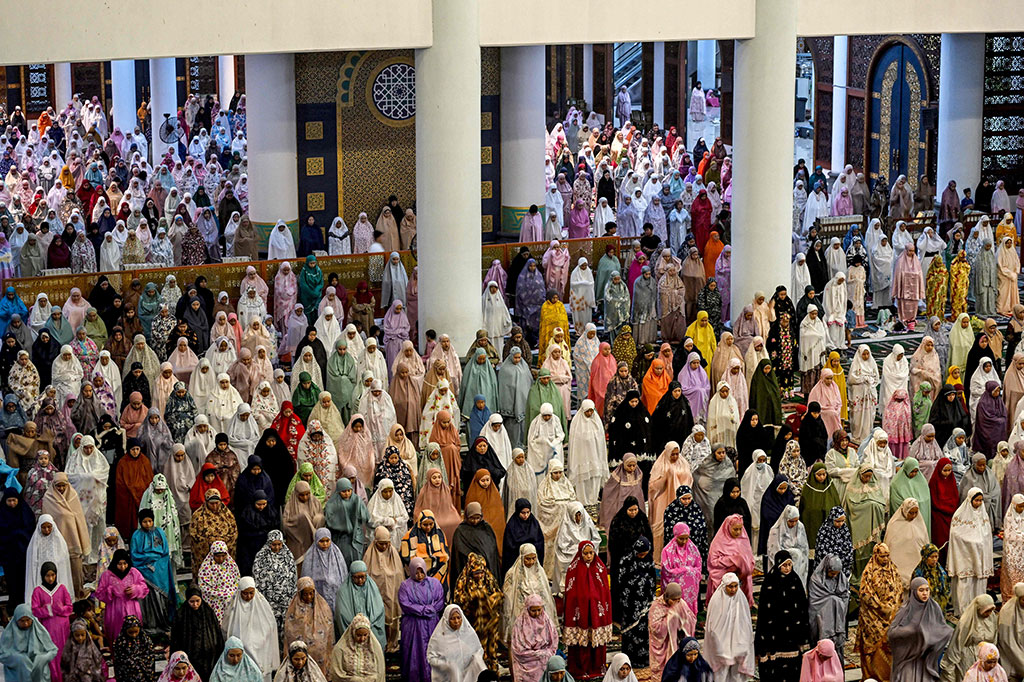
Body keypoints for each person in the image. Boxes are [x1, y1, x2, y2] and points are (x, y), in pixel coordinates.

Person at [755, 551, 809, 682]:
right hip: (774, 629)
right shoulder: (770, 582)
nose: (787, 568)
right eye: (785, 565)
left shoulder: (795, 580)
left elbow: (802, 606)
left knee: (792, 670)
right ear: (778, 565)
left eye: (790, 565)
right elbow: (764, 610)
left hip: (792, 630)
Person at [562, 540, 612, 679]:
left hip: (597, 612)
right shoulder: (573, 569)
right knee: (580, 642)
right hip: (580, 613)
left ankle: (597, 667)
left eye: (591, 553)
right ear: (580, 553)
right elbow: (570, 593)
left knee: (596, 643)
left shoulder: (600, 568)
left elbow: (605, 593)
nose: (589, 556)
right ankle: (580, 669)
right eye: (586, 553)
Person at [886, 576, 951, 682]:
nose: (925, 593)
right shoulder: (905, 610)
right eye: (921, 590)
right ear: (914, 592)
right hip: (908, 659)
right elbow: (891, 633)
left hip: (926, 659)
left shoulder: (934, 608)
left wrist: (934, 635)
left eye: (927, 590)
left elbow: (941, 627)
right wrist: (910, 631)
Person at [856, 544, 903, 681]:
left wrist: (893, 607)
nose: (885, 559)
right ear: (876, 555)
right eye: (882, 556)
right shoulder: (869, 571)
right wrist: (881, 607)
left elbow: (899, 589)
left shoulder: (893, 569)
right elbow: (865, 593)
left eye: (887, 555)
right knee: (872, 651)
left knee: (889, 649)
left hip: (890, 617)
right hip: (872, 618)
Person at [949, 487, 995, 615]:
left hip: (980, 555)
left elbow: (987, 535)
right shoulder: (960, 515)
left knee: (978, 583)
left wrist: (980, 542)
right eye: (976, 500)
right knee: (966, 583)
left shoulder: (983, 515)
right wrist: (972, 541)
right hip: (966, 556)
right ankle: (964, 612)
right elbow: (955, 534)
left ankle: (980, 609)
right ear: (970, 499)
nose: (979, 503)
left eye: (981, 500)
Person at [704, 573, 755, 682]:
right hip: (721, 646)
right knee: (721, 675)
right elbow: (713, 627)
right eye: (730, 586)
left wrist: (743, 643)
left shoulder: (741, 598)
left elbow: (745, 623)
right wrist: (720, 646)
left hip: (738, 644)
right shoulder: (717, 600)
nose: (733, 590)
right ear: (724, 586)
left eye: (736, 586)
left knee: (737, 675)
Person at [282, 577, 334, 675]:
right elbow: (290, 631)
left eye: (311, 593)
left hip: (318, 649)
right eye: (305, 594)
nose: (309, 597)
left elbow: (328, 627)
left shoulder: (323, 607)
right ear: (300, 593)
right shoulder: (293, 608)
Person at [426, 605, 486, 682]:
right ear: (446, 620)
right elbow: (431, 657)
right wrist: (446, 666)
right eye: (452, 618)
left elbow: (479, 649)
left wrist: (477, 658)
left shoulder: (469, 633)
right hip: (447, 678)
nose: (456, 621)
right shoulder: (438, 637)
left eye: (458, 617)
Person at [0, 604, 59, 682]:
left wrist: (43, 658)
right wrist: (19, 659)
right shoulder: (9, 634)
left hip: (39, 674)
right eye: (22, 621)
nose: (26, 624)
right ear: (16, 620)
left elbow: (53, 650)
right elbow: (2, 655)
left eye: (28, 620)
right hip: (18, 675)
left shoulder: (39, 630)